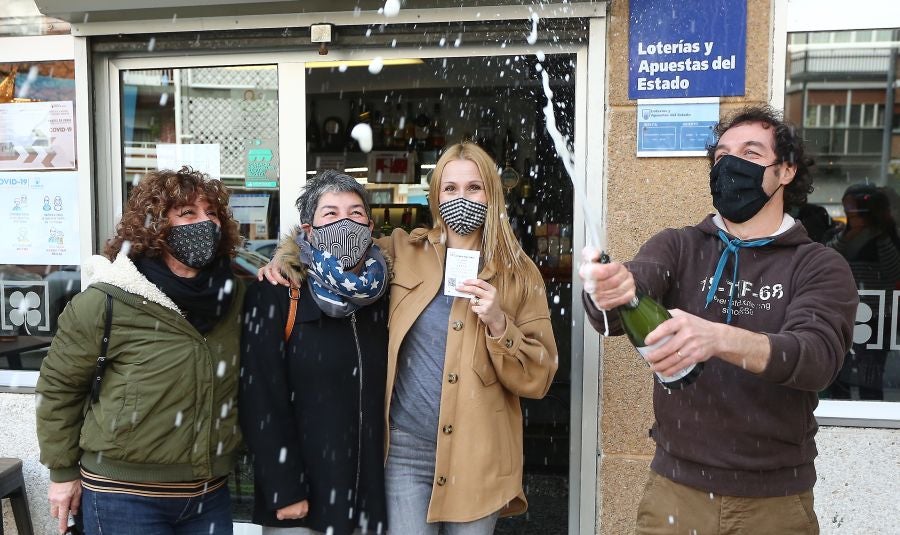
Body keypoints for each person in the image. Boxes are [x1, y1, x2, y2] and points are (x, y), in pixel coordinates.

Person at [578, 106, 858, 534]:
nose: (730, 165)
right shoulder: (680, 245)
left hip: (774, 502)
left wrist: (717, 338)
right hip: (675, 490)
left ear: (785, 170)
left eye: (749, 152)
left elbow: (815, 359)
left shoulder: (819, 265)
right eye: (722, 154)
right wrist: (610, 287)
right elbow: (625, 302)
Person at [261, 142, 558, 533]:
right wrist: (285, 258)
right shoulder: (403, 250)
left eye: (474, 188)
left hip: (477, 451)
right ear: (436, 196)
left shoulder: (519, 274)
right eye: (450, 188)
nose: (461, 198)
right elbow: (334, 251)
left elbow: (538, 378)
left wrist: (501, 324)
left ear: (491, 193)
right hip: (405, 452)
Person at [36, 166, 245, 535]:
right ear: (155, 226)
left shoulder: (234, 297)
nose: (204, 222)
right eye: (187, 213)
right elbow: (59, 389)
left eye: (211, 213)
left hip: (208, 494)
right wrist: (62, 473)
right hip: (123, 496)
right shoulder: (107, 301)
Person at [239, 170, 389, 535]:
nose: (345, 222)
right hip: (302, 501)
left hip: (366, 497)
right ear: (308, 230)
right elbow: (260, 399)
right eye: (330, 213)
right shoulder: (278, 292)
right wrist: (284, 487)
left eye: (355, 214)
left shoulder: (382, 296)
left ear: (370, 226)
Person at [825, 183, 900, 400]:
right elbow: (825, 262)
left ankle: (869, 409)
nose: (854, 216)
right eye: (849, 210)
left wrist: (879, 235)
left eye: (858, 211)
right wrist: (849, 235)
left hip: (877, 317)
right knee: (840, 371)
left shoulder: (886, 239)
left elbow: (894, 271)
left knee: (871, 375)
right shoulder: (840, 235)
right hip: (843, 313)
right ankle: (842, 407)